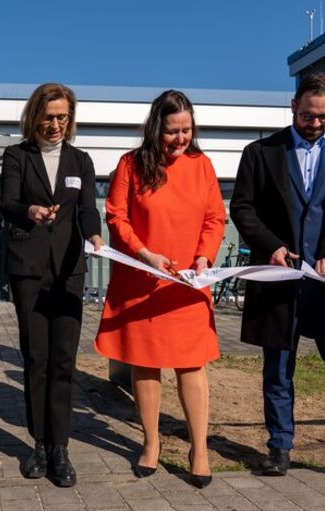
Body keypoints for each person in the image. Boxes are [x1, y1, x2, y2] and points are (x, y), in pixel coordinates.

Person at [230, 72, 325, 489]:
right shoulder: (260, 153)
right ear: (294, 105)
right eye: (310, 115)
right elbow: (243, 209)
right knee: (278, 365)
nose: (316, 124)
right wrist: (270, 246)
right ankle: (279, 447)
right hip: (279, 279)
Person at [95, 90, 225, 488]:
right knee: (146, 363)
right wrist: (145, 254)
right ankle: (151, 443)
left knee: (191, 365)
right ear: (156, 128)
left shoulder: (202, 166)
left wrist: (204, 256)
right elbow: (116, 216)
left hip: (187, 285)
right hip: (144, 281)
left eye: (186, 130)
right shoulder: (131, 164)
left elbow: (215, 218)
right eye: (172, 131)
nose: (180, 139)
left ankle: (198, 449)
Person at [0, 83, 103, 487]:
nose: (56, 124)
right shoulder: (17, 155)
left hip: (68, 271)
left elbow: (88, 210)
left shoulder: (81, 160)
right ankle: (38, 443)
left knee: (64, 360)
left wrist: (95, 237)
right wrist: (31, 210)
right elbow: (6, 203)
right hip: (28, 269)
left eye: (63, 117)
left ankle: (61, 447)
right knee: (36, 358)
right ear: (34, 116)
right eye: (49, 117)